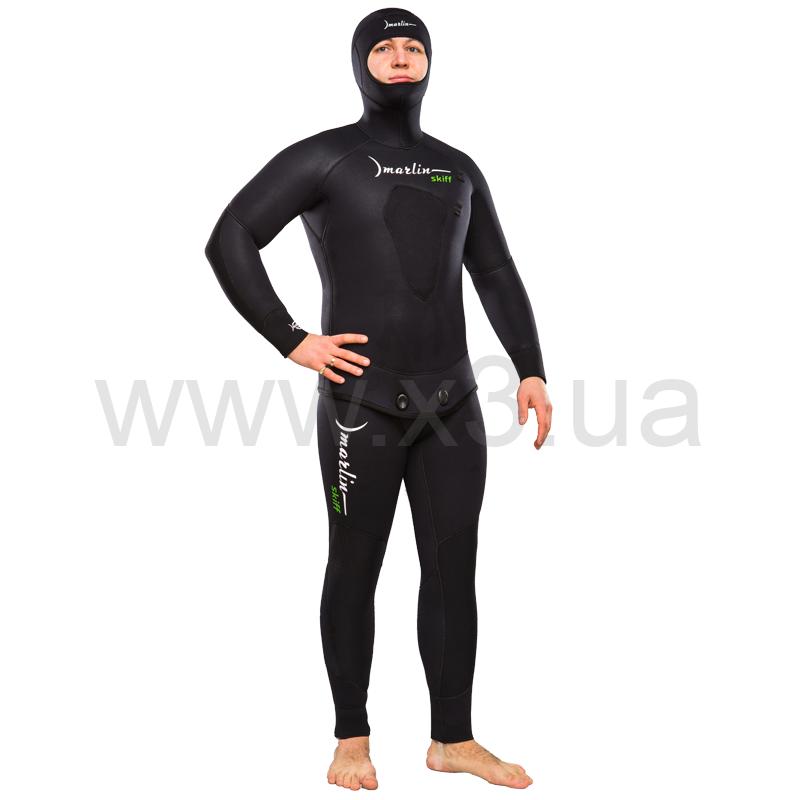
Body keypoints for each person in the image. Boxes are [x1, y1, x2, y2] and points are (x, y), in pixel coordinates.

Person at [205, 7, 551, 791]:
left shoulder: (457, 168)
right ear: (361, 62)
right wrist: (291, 338)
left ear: (430, 62)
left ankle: (453, 740)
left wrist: (530, 368)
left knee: (453, 569)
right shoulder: (325, 158)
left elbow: (495, 271)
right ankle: (351, 739)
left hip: (454, 403)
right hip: (362, 403)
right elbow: (231, 236)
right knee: (354, 566)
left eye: (413, 47)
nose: (400, 58)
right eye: (384, 47)